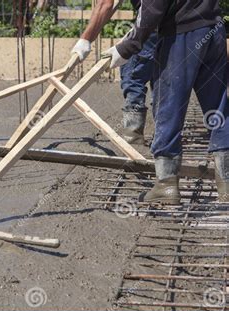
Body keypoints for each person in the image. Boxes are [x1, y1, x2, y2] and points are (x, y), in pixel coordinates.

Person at [73, 0, 229, 204]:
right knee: (217, 107)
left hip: (181, 34)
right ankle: (226, 182)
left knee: (168, 106)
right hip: (212, 28)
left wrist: (127, 47)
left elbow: (153, 6)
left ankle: (166, 184)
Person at [72, 0, 156, 145]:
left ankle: (133, 136)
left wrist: (85, 40)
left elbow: (105, 3)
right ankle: (165, 135)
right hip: (182, 21)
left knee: (132, 70)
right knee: (164, 75)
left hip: (156, 19)